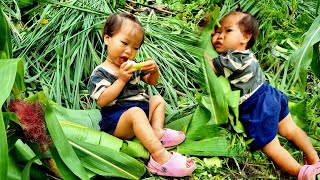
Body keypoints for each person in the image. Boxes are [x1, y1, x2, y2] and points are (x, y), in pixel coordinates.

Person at [207, 11, 320, 179]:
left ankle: (301, 173)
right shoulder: (246, 55)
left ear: (245, 37)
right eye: (217, 32)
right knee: (291, 129)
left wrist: (201, 42)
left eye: (227, 31)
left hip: (257, 105)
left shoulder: (232, 59)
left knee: (270, 146)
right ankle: (314, 159)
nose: (219, 36)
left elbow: (208, 66)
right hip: (270, 94)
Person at [87, 12, 195, 177]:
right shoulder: (100, 73)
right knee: (136, 113)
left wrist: (154, 70)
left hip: (140, 112)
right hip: (118, 121)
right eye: (124, 43)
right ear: (107, 38)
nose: (129, 51)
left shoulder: (134, 66)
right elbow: (102, 100)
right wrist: (121, 80)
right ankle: (159, 158)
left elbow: (151, 82)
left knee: (157, 100)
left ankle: (157, 132)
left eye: (135, 47)